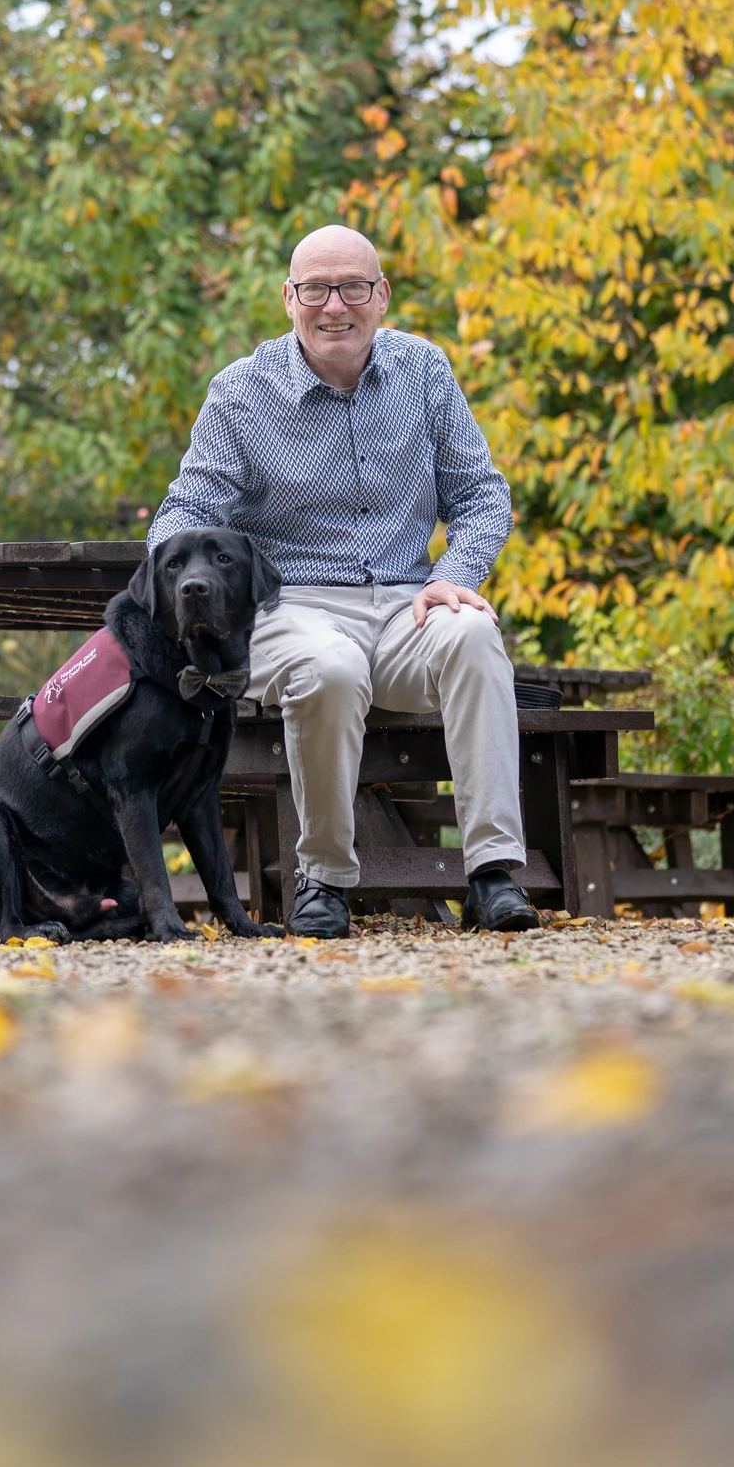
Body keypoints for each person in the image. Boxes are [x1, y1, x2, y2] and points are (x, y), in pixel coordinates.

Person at [147, 224, 538, 938]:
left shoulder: (423, 372)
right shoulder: (239, 393)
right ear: (288, 298)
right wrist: (199, 597)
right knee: (328, 667)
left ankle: (491, 874)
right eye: (316, 289)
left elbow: (482, 495)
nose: (335, 305)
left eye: (352, 286)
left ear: (380, 295)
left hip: (404, 605)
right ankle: (322, 880)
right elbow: (186, 512)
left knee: (476, 634)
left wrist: (453, 574)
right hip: (289, 608)